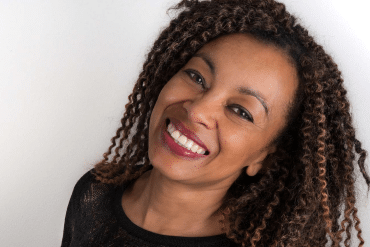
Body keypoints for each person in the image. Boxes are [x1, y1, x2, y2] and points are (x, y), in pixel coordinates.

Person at [61, 0, 370, 246]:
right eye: (196, 76)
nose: (198, 110)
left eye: (241, 111)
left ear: (264, 156)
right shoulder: (94, 192)